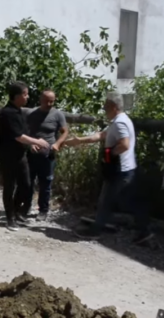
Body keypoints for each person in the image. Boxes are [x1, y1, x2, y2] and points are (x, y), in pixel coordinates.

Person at [64, 92, 152, 243]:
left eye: (105, 107)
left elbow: (124, 144)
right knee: (125, 202)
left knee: (106, 201)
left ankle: (96, 230)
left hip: (120, 170)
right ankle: (143, 232)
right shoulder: (119, 121)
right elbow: (101, 135)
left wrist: (110, 154)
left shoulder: (120, 123)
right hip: (126, 169)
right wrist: (79, 140)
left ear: (113, 106)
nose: (104, 110)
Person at [0, 81, 50, 232]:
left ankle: (16, 212)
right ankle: (10, 218)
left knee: (26, 185)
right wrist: (37, 141)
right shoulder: (8, 113)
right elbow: (18, 136)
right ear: (17, 96)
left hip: (20, 154)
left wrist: (30, 144)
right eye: (25, 94)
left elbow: (23, 133)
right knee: (9, 186)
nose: (28, 97)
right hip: (7, 156)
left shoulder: (19, 110)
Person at [25, 90, 69, 221]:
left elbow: (65, 132)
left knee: (46, 184)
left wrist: (57, 143)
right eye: (47, 101)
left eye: (52, 101)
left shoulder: (57, 115)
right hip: (32, 154)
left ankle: (43, 210)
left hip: (48, 155)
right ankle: (25, 206)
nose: (49, 103)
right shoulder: (32, 113)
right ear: (41, 100)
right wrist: (30, 144)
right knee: (28, 182)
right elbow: (24, 131)